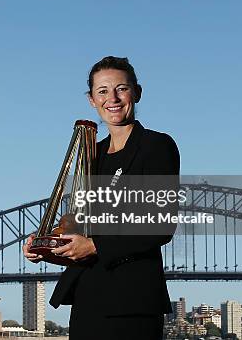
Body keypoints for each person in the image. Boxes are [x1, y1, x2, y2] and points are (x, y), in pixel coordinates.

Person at [23, 56, 180, 339]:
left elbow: (161, 224)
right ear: (92, 100)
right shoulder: (91, 154)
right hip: (87, 297)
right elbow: (81, 225)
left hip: (132, 302)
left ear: (137, 92)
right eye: (103, 91)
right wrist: (47, 242)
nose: (113, 98)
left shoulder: (156, 146)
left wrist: (95, 246)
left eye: (122, 88)